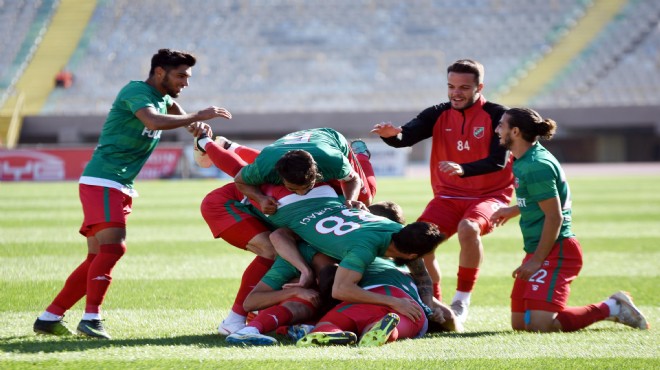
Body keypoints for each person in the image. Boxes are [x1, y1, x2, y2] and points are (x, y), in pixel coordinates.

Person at [33, 49, 232, 339]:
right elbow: (153, 121)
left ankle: (50, 316)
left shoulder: (165, 100)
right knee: (114, 248)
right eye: (181, 76)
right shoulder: (136, 91)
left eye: (188, 78)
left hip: (116, 183)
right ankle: (91, 318)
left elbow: (186, 122)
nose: (185, 84)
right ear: (160, 72)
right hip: (104, 179)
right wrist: (198, 115)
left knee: (96, 256)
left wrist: (199, 126)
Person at [371, 59, 513, 324]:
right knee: (419, 244)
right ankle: (432, 304)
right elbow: (406, 137)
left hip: (490, 195)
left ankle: (461, 301)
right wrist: (391, 136)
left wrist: (463, 169)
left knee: (469, 229)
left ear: (479, 87)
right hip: (448, 196)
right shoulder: (437, 113)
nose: (455, 93)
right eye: (451, 86)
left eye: (463, 87)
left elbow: (499, 161)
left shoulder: (498, 115)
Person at [490, 107, 649, 332]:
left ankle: (612, 307)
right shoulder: (525, 158)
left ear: (515, 131)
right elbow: (546, 200)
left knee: (539, 325)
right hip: (540, 248)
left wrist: (536, 261)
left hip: (557, 251)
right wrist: (515, 209)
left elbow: (554, 216)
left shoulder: (536, 165)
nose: (496, 130)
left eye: (501, 126)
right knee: (520, 324)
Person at [229, 127, 376, 214]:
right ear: (280, 175)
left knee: (365, 201)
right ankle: (229, 145)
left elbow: (353, 179)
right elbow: (239, 180)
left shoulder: (333, 161)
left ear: (316, 174)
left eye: (307, 187)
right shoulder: (265, 166)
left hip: (330, 140)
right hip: (289, 146)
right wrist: (260, 199)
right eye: (292, 189)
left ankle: (361, 154)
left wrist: (350, 200)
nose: (301, 194)